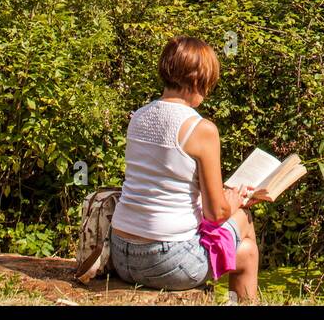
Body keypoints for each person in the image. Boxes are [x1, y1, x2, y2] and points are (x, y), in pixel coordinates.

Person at [110, 36, 259, 303]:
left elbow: (167, 181)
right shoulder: (201, 129)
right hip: (166, 261)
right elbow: (216, 214)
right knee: (245, 236)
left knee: (236, 232)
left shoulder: (139, 117)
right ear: (198, 80)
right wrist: (236, 199)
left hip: (121, 254)